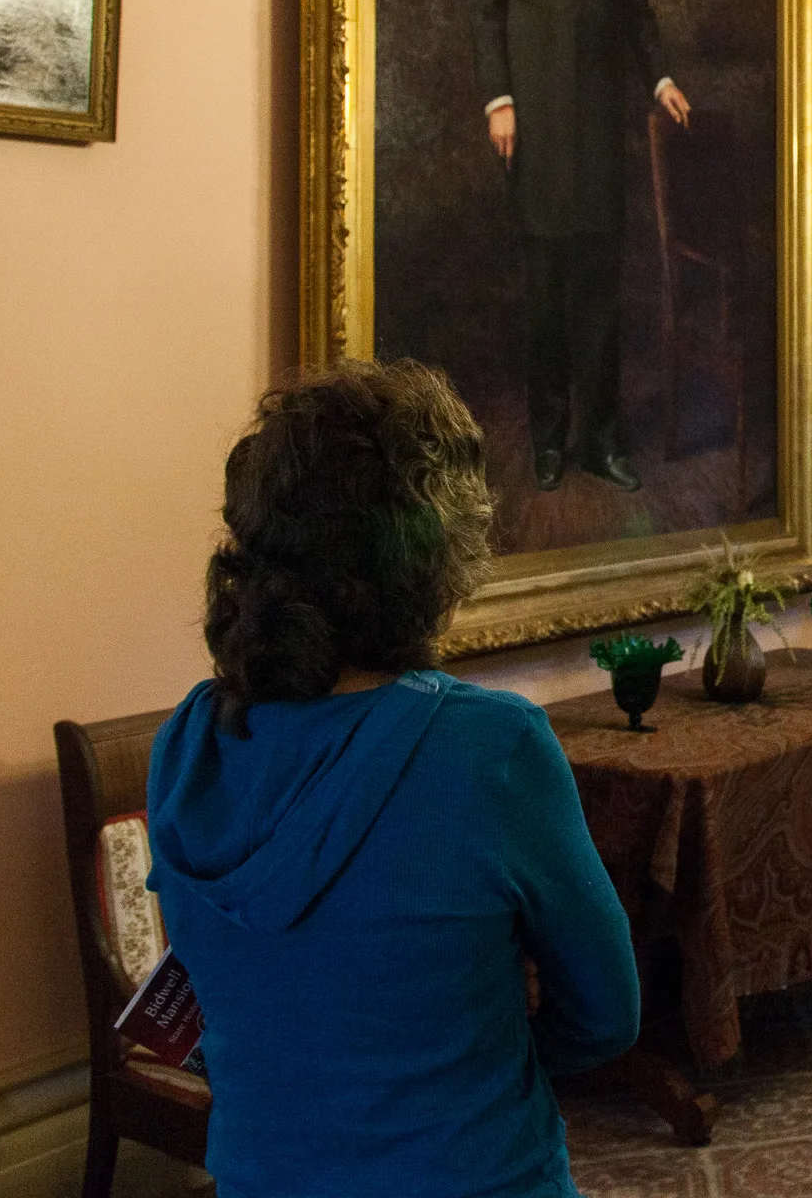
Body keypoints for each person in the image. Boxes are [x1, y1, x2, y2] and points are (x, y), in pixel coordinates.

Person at [146, 359, 639, 1197]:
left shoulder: (186, 744)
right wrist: (476, 1048)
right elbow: (606, 1012)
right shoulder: (489, 747)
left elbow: (209, 995)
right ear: (434, 553)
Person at [471, 0, 692, 495]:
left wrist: (659, 75)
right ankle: (548, 441)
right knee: (545, 293)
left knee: (600, 289)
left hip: (599, 119)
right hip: (533, 116)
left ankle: (599, 438)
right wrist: (498, 95)